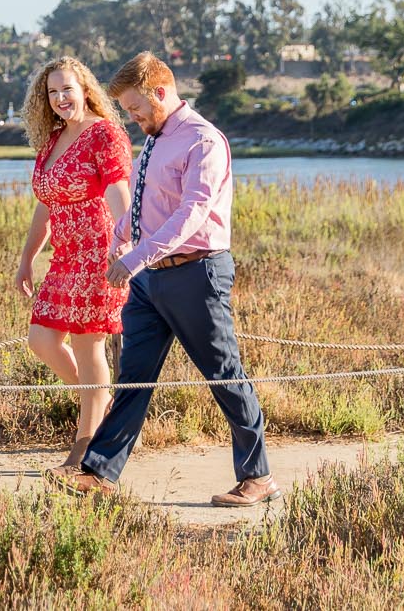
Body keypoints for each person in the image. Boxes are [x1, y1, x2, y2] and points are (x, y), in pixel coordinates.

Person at [52, 51, 280, 507]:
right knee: (134, 376)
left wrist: (135, 257)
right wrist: (121, 236)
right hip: (149, 281)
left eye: (136, 107)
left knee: (222, 374)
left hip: (197, 274)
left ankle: (258, 478)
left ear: (161, 92)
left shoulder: (203, 141)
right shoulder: (155, 139)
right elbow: (142, 203)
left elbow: (190, 214)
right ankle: (99, 473)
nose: (132, 117)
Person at [15, 57, 134, 468]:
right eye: (52, 92)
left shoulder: (105, 134)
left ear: (85, 88)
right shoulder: (52, 139)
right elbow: (45, 205)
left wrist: (125, 240)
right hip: (65, 257)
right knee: (42, 341)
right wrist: (27, 258)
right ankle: (103, 404)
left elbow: (119, 189)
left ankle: (84, 448)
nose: (60, 98)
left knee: (89, 348)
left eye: (67, 88)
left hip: (99, 250)